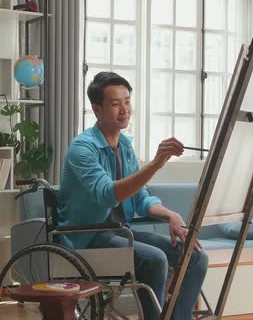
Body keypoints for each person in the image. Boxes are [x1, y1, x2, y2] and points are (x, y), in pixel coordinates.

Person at [56, 71, 208, 319]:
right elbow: (108, 195)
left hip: (120, 232)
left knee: (196, 256)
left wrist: (171, 215)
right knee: (155, 259)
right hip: (87, 237)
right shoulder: (82, 148)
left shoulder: (125, 146)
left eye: (127, 101)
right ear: (97, 110)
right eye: (115, 104)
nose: (124, 109)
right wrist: (156, 164)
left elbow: (140, 199)